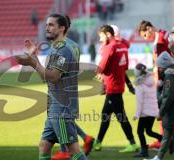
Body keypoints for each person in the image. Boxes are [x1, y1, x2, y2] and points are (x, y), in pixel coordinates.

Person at [15, 13, 88, 160]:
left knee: (73, 150)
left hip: (62, 107)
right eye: (47, 24)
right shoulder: (64, 46)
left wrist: (32, 62)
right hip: (56, 104)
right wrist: (34, 57)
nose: (47, 28)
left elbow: (53, 77)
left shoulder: (63, 49)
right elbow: (46, 77)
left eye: (51, 25)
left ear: (62, 28)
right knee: (44, 145)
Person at [52, 16, 94, 160]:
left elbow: (58, 70)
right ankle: (84, 138)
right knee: (64, 121)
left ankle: (65, 151)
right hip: (72, 88)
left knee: (61, 120)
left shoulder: (61, 46)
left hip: (62, 90)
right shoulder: (75, 45)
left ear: (62, 27)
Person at [93, 24, 138, 153]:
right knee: (107, 115)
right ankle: (98, 142)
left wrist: (98, 74)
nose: (100, 40)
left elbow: (102, 65)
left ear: (108, 34)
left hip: (112, 87)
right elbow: (124, 67)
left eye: (101, 37)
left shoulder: (110, 46)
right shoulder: (122, 46)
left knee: (120, 117)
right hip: (118, 86)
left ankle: (133, 143)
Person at [137, 20, 174, 149]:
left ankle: (166, 139)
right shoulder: (157, 40)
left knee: (164, 109)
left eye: (145, 35)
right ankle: (164, 138)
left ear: (149, 29)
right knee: (161, 109)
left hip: (166, 79)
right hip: (159, 80)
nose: (146, 39)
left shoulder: (163, 36)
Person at [144, 52, 174, 160]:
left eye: (159, 67)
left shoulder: (169, 75)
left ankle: (158, 158)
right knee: (167, 135)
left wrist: (160, 113)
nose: (158, 70)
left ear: (163, 66)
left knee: (167, 133)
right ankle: (158, 157)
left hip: (171, 112)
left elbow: (168, 97)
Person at [132, 63, 162, 158]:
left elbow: (140, 102)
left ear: (137, 72)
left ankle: (144, 151)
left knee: (140, 131)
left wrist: (137, 114)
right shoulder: (151, 81)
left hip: (145, 112)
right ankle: (166, 140)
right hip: (153, 111)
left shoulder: (140, 85)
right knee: (148, 131)